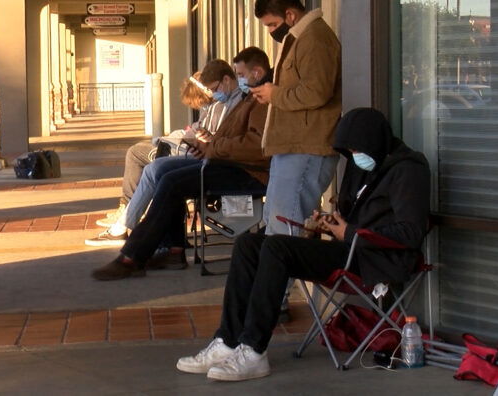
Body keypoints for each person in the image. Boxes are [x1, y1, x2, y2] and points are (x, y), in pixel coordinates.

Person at [175, 108, 431, 381]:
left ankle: (253, 350)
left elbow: (411, 231)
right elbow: (354, 212)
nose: (354, 154)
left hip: (376, 258)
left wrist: (351, 232)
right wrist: (331, 223)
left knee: (277, 247)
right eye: (350, 149)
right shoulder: (364, 166)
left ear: (373, 141)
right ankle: (228, 341)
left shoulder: (408, 170)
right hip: (351, 249)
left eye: (357, 148)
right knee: (249, 243)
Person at [91, 47, 273, 279]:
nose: (239, 80)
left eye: (241, 74)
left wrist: (212, 148)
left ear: (257, 73)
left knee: (172, 182)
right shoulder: (250, 98)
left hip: (248, 172)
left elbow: (257, 145)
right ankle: (171, 249)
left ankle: (133, 256)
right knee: (165, 174)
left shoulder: (262, 102)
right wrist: (207, 147)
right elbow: (230, 137)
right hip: (228, 162)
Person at [87, 61, 243, 246]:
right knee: (159, 169)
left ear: (226, 80)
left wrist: (208, 140)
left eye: (242, 74)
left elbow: (236, 142)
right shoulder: (224, 102)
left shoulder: (239, 102)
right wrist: (201, 138)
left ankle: (145, 236)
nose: (212, 94)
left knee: (159, 170)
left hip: (219, 163)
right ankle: (152, 236)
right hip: (208, 155)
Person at [249, 0, 342, 236]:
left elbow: (317, 91)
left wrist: (274, 94)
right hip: (292, 147)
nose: (270, 31)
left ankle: (279, 276)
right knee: (276, 224)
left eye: (271, 24)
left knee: (285, 228)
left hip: (308, 147)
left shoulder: (315, 38)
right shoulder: (301, 38)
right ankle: (271, 275)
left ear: (290, 15)